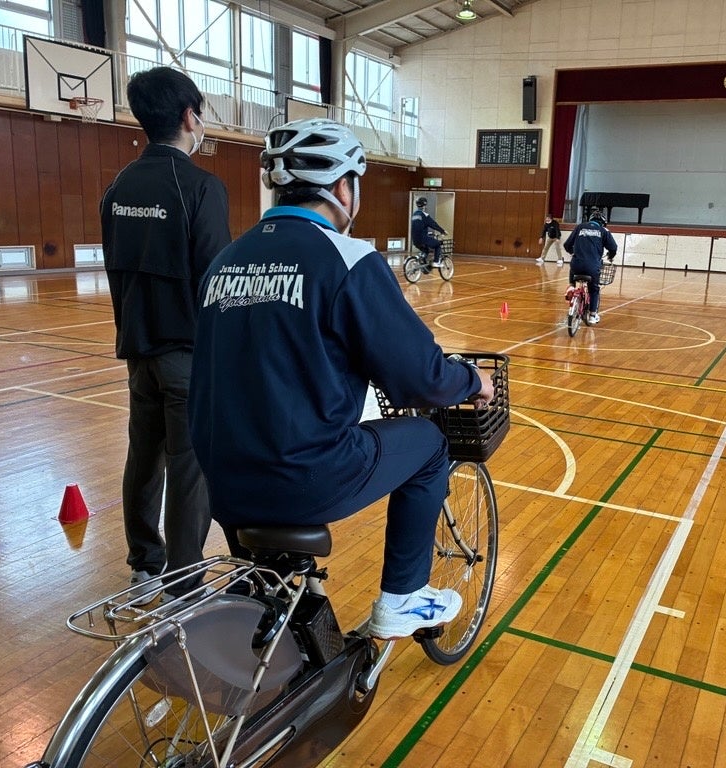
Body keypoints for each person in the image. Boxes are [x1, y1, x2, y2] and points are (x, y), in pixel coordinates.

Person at [188, 118, 495, 640]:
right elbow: (418, 375)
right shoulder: (346, 258)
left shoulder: (225, 262)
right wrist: (472, 382)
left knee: (282, 590)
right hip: (303, 476)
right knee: (426, 443)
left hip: (221, 479)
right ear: (341, 188)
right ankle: (405, 597)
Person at [100, 66, 245, 604]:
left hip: (138, 352)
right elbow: (217, 281)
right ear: (190, 116)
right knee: (190, 467)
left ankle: (144, 563)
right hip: (187, 353)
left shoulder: (118, 188)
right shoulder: (201, 187)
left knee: (144, 454)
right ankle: (184, 581)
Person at [562, 207, 618, 324]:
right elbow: (613, 247)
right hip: (592, 267)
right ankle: (592, 315)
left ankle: (571, 286)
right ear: (603, 223)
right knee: (594, 289)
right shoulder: (603, 231)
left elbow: (567, 245)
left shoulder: (579, 227)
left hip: (576, 265)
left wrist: (573, 252)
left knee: (574, 264)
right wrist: (610, 256)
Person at [410, 197, 447, 266]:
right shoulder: (424, 215)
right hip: (423, 239)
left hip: (415, 240)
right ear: (425, 205)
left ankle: (423, 264)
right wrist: (442, 231)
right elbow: (433, 224)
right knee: (438, 244)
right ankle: (436, 262)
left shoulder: (414, 215)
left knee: (426, 250)